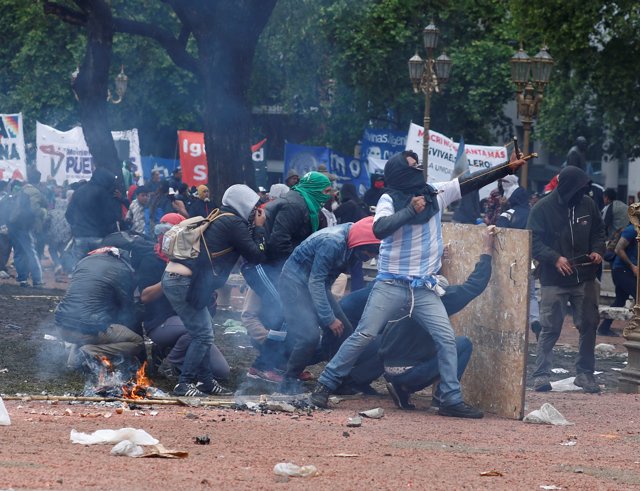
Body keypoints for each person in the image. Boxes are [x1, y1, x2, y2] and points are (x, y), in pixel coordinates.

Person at [310, 150, 527, 418]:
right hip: (391, 283)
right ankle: (325, 385)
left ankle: (449, 399)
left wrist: (506, 167)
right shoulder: (389, 199)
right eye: (413, 166)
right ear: (400, 173)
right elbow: (380, 229)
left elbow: (468, 181)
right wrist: (411, 209)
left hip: (424, 287)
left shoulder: (435, 192)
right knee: (364, 334)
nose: (419, 169)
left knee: (446, 338)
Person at [161, 184, 267, 397]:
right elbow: (257, 255)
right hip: (184, 281)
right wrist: (259, 228)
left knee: (202, 331)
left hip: (178, 279)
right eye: (254, 206)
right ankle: (184, 383)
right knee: (202, 335)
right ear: (244, 203)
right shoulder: (233, 222)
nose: (256, 211)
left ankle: (206, 382)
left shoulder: (220, 216)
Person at [381, 226, 496, 410]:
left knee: (429, 342)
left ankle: (402, 388)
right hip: (410, 372)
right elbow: (474, 286)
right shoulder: (435, 299)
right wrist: (487, 251)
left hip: (387, 370)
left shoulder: (406, 289)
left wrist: (439, 262)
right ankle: (445, 397)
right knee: (461, 344)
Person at [278, 216, 381, 393]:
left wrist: (330, 319)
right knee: (309, 336)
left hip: (317, 285)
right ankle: (288, 381)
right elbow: (316, 281)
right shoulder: (332, 243)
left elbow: (324, 281)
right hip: (294, 284)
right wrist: (328, 318)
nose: (368, 258)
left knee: (344, 331)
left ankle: (335, 380)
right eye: (369, 253)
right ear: (363, 245)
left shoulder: (355, 242)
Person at [528, 166, 605, 393]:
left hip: (585, 276)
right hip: (554, 278)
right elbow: (533, 241)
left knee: (589, 324)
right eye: (579, 189)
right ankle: (541, 375)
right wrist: (554, 258)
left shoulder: (588, 205)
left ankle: (585, 374)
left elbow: (599, 231)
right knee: (549, 327)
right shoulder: (542, 208)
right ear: (567, 188)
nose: (582, 194)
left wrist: (598, 250)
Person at [134, 213, 231, 388]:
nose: (164, 237)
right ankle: (169, 363)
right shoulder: (151, 260)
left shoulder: (192, 258)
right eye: (161, 232)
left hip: (185, 321)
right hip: (160, 323)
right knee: (196, 330)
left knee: (221, 371)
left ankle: (176, 356)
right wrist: (171, 279)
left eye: (169, 231)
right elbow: (145, 296)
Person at [54, 246, 143, 369]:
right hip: (87, 330)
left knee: (83, 321)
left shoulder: (84, 262)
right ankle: (90, 351)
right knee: (137, 342)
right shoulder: (122, 269)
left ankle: (74, 361)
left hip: (61, 325)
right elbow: (126, 307)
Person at [65, 167, 122, 267]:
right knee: (97, 269)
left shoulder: (79, 191)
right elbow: (111, 217)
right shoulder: (104, 193)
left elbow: (68, 214)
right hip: (99, 238)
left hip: (80, 237)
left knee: (79, 269)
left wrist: (77, 227)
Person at [8, 169, 48, 287]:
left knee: (19, 252)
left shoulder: (21, 189)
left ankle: (23, 280)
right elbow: (35, 209)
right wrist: (44, 211)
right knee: (31, 252)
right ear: (39, 180)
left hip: (14, 224)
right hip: (24, 226)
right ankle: (37, 279)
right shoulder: (34, 191)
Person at [597, 223, 637, 337]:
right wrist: (632, 266)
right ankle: (635, 330)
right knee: (638, 297)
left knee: (620, 300)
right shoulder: (631, 230)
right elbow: (619, 249)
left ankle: (603, 328)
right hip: (622, 271)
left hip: (625, 271)